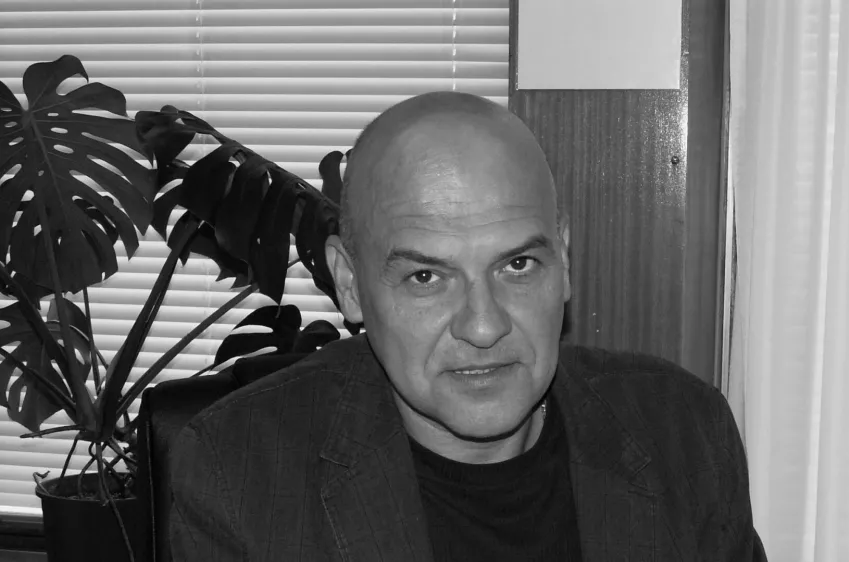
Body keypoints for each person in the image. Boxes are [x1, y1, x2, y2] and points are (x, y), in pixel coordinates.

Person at [168, 91, 767, 561]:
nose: (483, 327)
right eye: (426, 277)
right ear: (349, 284)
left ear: (563, 259)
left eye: (517, 265)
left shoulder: (682, 432)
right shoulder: (241, 474)